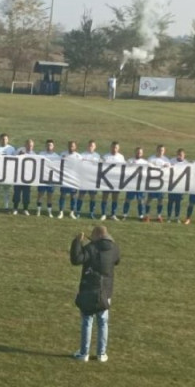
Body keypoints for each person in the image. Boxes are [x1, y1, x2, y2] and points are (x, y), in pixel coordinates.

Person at [70, 225, 121, 363]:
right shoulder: (114, 248)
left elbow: (76, 259)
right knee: (103, 322)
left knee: (87, 321)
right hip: (106, 291)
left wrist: (77, 242)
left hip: (89, 290)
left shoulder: (91, 248)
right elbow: (117, 260)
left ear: (97, 236)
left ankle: (84, 353)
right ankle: (101, 354)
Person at [144, 144, 171, 222]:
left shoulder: (166, 160)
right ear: (157, 150)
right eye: (159, 150)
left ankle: (159, 215)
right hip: (152, 182)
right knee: (149, 199)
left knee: (160, 199)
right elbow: (148, 165)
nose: (160, 151)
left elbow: (169, 167)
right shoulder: (151, 158)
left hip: (161, 183)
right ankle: (147, 215)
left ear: (164, 151)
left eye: (162, 150)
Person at [121, 147, 148, 221]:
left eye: (140, 152)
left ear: (142, 154)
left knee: (140, 200)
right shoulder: (130, 161)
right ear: (135, 152)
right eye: (137, 152)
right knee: (128, 199)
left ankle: (141, 215)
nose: (139, 153)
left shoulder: (145, 162)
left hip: (140, 184)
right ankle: (124, 214)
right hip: (131, 183)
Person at [99, 142, 124, 221]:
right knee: (105, 197)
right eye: (113, 147)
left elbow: (124, 167)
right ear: (110, 148)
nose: (114, 149)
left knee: (115, 198)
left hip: (116, 180)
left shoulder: (121, 157)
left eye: (116, 147)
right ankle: (103, 214)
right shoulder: (106, 156)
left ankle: (113, 214)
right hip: (106, 180)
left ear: (118, 148)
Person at [76, 140, 101, 219]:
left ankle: (91, 213)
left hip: (92, 179)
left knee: (93, 196)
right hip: (83, 179)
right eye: (90, 145)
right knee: (81, 195)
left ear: (95, 147)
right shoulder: (82, 155)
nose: (91, 147)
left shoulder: (97, 156)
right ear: (87, 146)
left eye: (92, 146)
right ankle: (78, 212)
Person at [36, 139, 61, 217]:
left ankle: (49, 211)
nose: (49, 146)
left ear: (53, 146)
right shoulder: (41, 154)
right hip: (42, 177)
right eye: (47, 145)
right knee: (40, 194)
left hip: (51, 178)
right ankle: (38, 210)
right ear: (45, 145)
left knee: (50, 195)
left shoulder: (56, 156)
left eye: (50, 145)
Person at [58, 140, 82, 219]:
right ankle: (61, 211)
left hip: (73, 178)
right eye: (70, 146)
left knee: (73, 195)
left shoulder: (78, 156)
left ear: (75, 147)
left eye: (72, 146)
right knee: (63, 195)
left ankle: (72, 212)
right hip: (65, 178)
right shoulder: (63, 154)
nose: (71, 147)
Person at [12, 139, 36, 215]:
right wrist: (19, 155)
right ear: (25, 145)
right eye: (28, 145)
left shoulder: (34, 154)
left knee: (26, 194)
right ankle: (15, 208)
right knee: (17, 193)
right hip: (18, 175)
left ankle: (25, 209)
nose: (30, 147)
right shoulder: (20, 150)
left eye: (31, 146)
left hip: (27, 177)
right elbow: (13, 159)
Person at [166, 148, 187, 222]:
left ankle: (177, 217)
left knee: (178, 202)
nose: (180, 156)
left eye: (181, 155)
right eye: (178, 154)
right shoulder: (172, 161)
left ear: (184, 155)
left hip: (180, 185)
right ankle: (169, 217)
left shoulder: (186, 163)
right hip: (172, 184)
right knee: (170, 201)